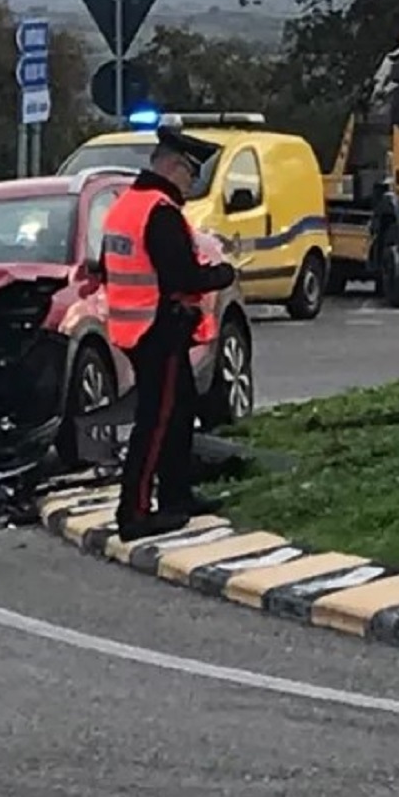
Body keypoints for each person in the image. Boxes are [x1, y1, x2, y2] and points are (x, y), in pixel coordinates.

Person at [101, 125, 237, 541]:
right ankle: (135, 512)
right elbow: (180, 275)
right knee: (156, 422)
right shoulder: (159, 211)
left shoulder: (127, 205)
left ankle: (177, 497)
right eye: (191, 175)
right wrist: (223, 273)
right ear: (174, 167)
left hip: (137, 327)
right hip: (157, 328)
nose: (192, 184)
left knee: (178, 411)